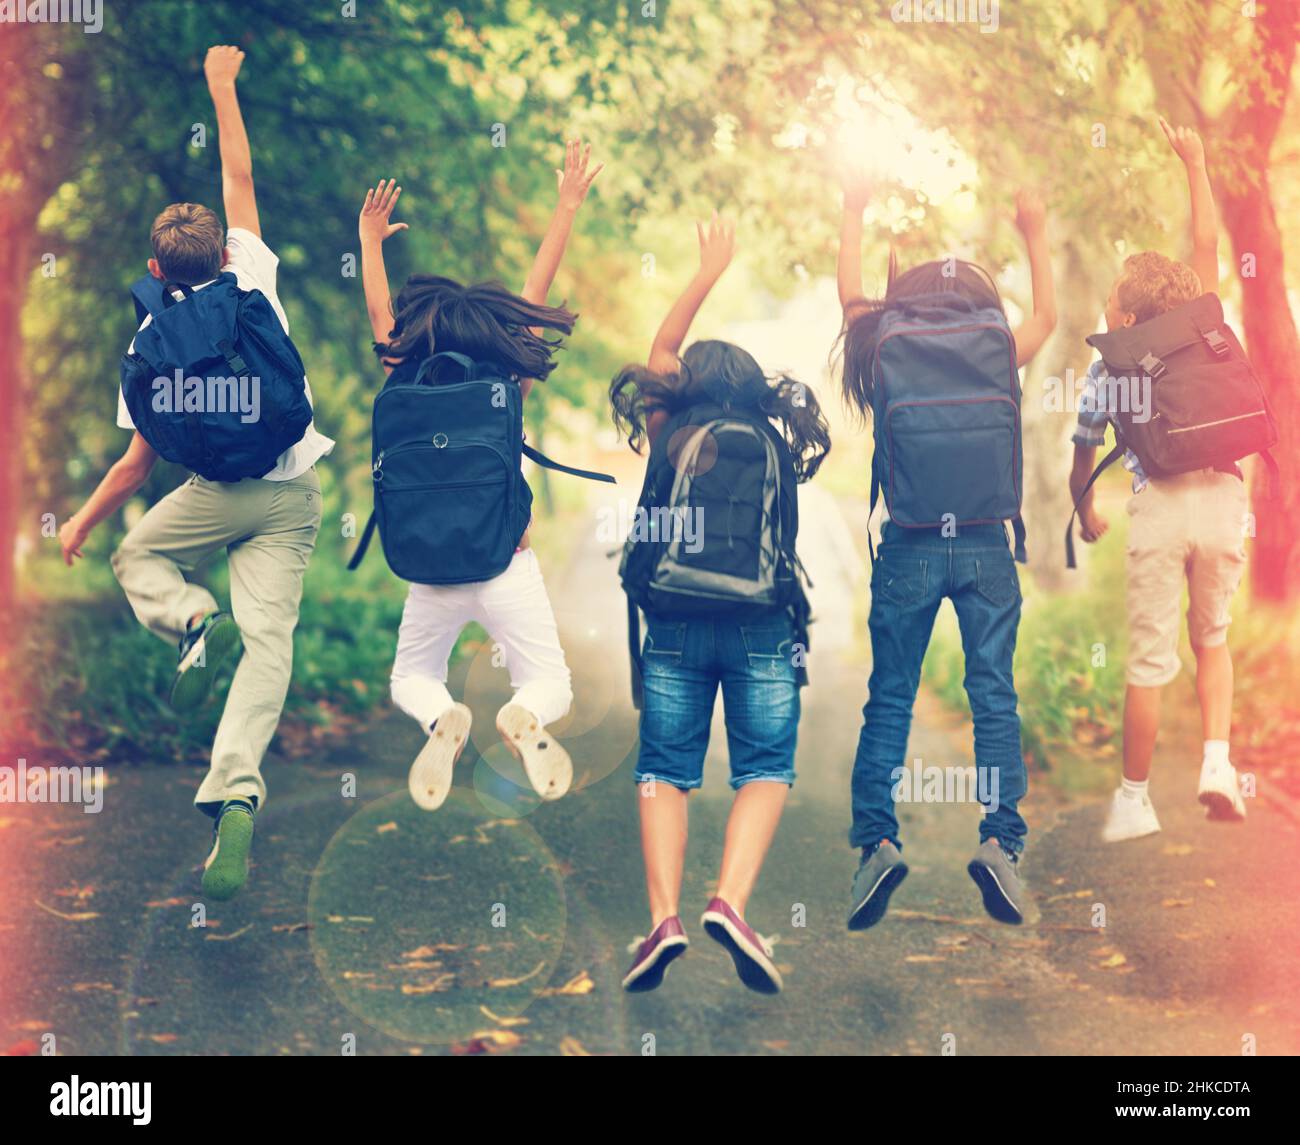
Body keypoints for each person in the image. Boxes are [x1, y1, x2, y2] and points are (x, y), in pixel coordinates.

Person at [58, 46, 333, 901]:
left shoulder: (146, 343)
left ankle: (187, 617)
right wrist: (223, 87)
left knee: (138, 557)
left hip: (211, 495)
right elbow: (239, 171)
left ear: (154, 271)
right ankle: (235, 788)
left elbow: (138, 464)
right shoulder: (251, 274)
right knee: (269, 645)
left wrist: (79, 523)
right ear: (221, 252)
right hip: (289, 490)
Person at [611, 215, 831, 993]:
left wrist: (706, 273)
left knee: (663, 771)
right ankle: (731, 903)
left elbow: (659, 355)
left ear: (683, 389)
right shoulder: (771, 440)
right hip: (762, 624)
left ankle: (663, 919)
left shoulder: (671, 426)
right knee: (764, 765)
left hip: (672, 620)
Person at [356, 143, 603, 812]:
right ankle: (522, 717)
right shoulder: (505, 380)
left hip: (430, 571)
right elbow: (535, 294)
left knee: (412, 675)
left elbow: (382, 320)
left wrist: (369, 243)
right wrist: (567, 203)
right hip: (505, 561)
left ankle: (442, 719)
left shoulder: (400, 375)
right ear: (493, 333)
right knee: (549, 682)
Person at [838, 172, 1056, 928]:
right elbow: (1050, 317)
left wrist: (854, 209)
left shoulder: (883, 344)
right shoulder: (996, 345)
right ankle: (1000, 839)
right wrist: (1032, 228)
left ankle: (877, 843)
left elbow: (850, 301)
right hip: (987, 545)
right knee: (993, 691)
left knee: (890, 694)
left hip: (910, 544)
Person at [1068, 120, 1248, 843]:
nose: (1107, 312)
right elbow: (1205, 247)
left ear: (1132, 315)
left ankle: (1136, 800)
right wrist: (1196, 164)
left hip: (1160, 509)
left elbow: (1084, 444)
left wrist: (1085, 506)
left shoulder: (1109, 363)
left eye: (1114, 303)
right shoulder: (1202, 327)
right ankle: (1217, 762)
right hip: (1224, 498)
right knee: (1214, 637)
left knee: (1147, 662)